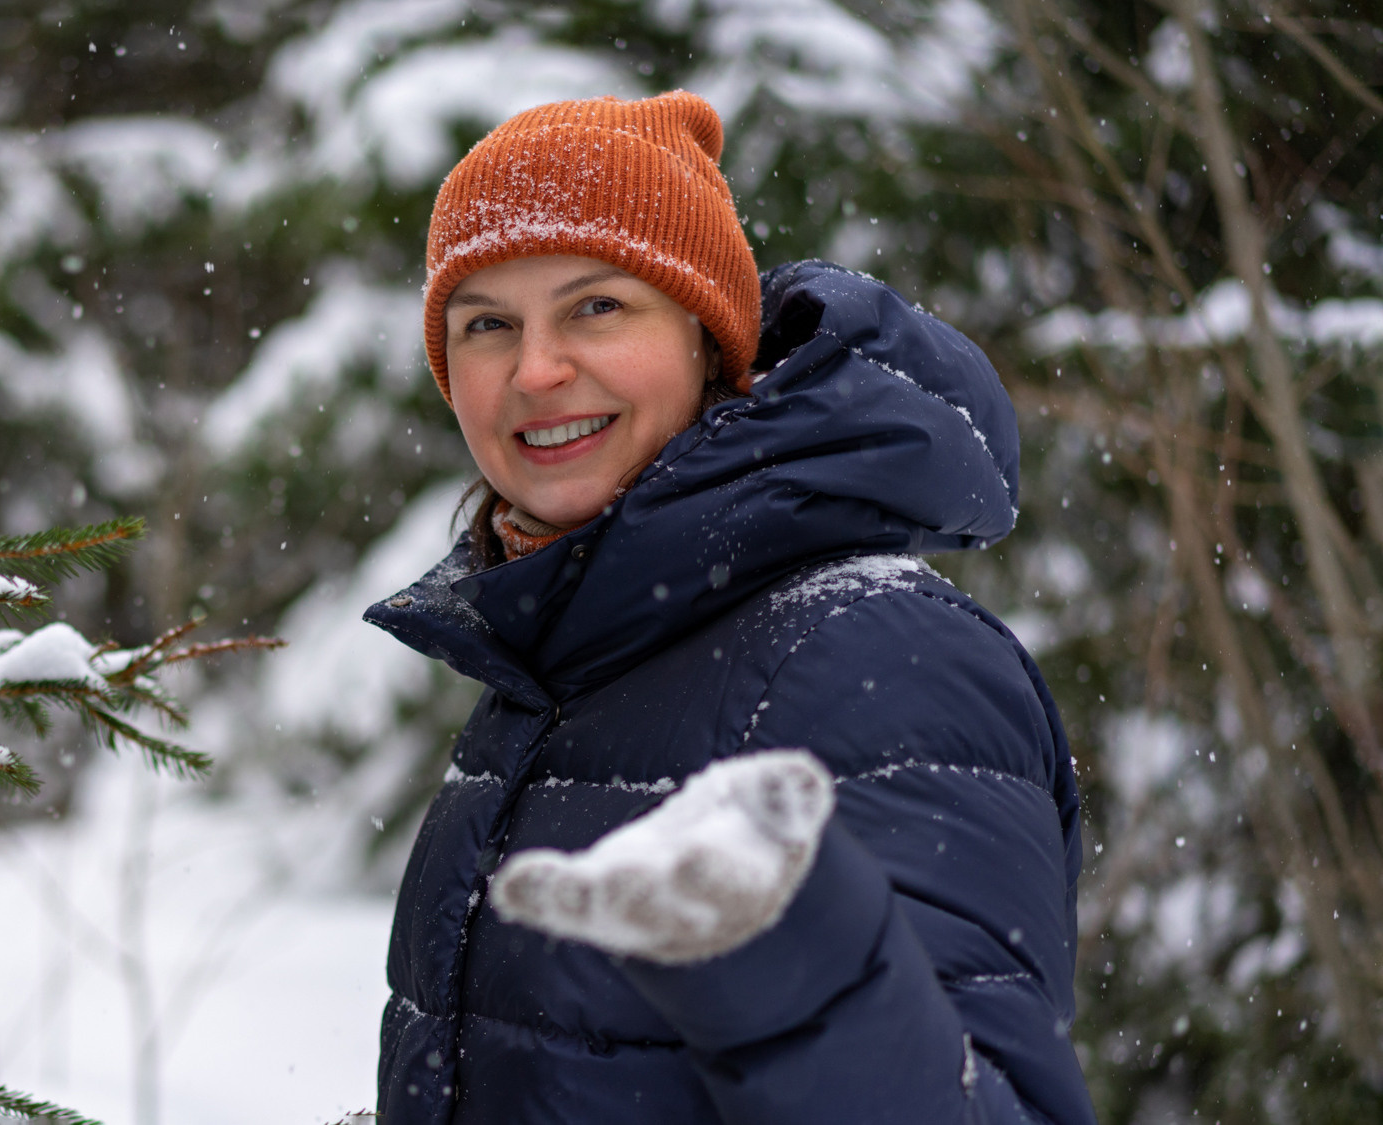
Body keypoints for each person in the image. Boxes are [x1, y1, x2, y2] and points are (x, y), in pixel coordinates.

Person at [362, 91, 1097, 1124]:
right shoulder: (568, 657)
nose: (535, 370)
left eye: (596, 307)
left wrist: (789, 958)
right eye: (487, 324)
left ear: (708, 340)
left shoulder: (879, 658)